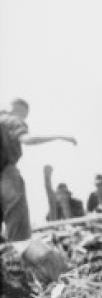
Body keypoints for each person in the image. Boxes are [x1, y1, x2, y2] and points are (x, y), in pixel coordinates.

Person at [1, 98, 77, 240]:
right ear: (21, 111)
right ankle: (19, 254)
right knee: (18, 225)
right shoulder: (12, 120)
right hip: (5, 173)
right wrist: (59, 136)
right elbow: (27, 139)